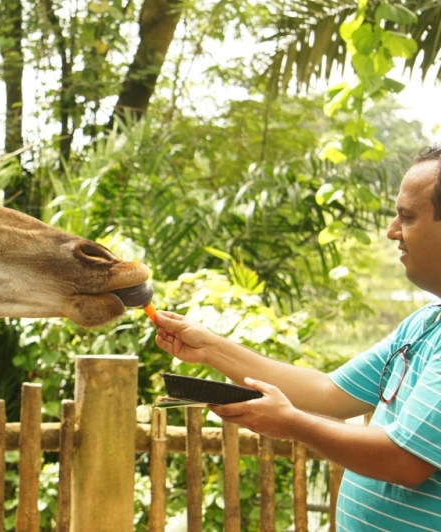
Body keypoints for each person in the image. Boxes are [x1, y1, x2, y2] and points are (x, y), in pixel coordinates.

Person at [155, 148, 441, 530]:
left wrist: (291, 423)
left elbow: (405, 461)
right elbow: (327, 392)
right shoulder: (424, 323)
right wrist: (210, 347)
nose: (392, 231)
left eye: (406, 217)